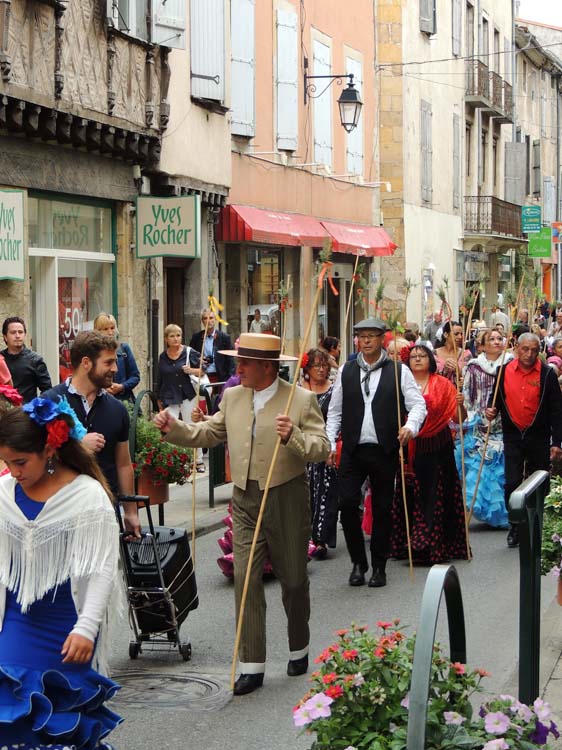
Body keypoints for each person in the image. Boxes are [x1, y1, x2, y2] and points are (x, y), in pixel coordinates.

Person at [154, 333, 330, 696]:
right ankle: (252, 665)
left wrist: (294, 435)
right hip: (245, 499)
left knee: (294, 581)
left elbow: (321, 448)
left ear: (267, 366)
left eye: (244, 363)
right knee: (245, 578)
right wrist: (176, 429)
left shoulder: (301, 398)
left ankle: (299, 645)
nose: (238, 369)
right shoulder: (232, 396)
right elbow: (210, 432)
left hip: (287, 497)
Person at [0, 400, 122, 748]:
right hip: (15, 619)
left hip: (67, 626)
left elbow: (101, 569)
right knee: (11, 714)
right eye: (7, 462)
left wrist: (86, 628)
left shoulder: (88, 496)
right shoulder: (4, 493)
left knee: (60, 726)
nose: (13, 471)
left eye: (20, 462)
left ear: (49, 449)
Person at [326, 318, 427, 588]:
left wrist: (410, 427)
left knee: (383, 509)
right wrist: (328, 442)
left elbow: (418, 405)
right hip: (352, 449)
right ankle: (359, 562)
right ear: (357, 340)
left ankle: (379, 566)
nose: (367, 341)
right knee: (346, 504)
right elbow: (335, 412)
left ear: (383, 339)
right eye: (362, 336)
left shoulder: (398, 371)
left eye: (372, 336)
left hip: (385, 449)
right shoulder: (346, 370)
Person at [42, 330, 140, 537]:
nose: (115, 368)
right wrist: (76, 446)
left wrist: (131, 511)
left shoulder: (118, 409)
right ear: (86, 363)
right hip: (58, 515)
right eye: (108, 362)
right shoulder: (49, 403)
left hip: (104, 515)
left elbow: (123, 464)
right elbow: (37, 458)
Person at [390, 345, 469, 563]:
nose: (417, 359)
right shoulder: (400, 385)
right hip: (407, 444)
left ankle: (429, 545)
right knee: (409, 494)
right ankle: (407, 544)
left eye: (422, 356)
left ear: (430, 360)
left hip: (436, 447)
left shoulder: (443, 384)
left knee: (434, 494)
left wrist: (460, 405)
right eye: (413, 356)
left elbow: (458, 419)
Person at [486, 332, 562, 548]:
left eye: (534, 350)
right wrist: (491, 411)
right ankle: (516, 526)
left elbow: (557, 411)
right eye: (525, 349)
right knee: (511, 481)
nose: (529, 354)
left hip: (538, 436)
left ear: (539, 352)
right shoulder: (503, 372)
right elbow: (495, 401)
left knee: (540, 482)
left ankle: (539, 525)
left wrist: (557, 442)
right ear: (516, 349)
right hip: (513, 436)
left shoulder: (547, 374)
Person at [456, 329, 512, 528]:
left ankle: (502, 511)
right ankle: (484, 508)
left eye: (500, 338)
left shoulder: (510, 364)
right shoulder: (473, 367)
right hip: (480, 424)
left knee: (501, 470)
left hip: (505, 424)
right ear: (481, 345)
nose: (496, 342)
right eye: (492, 339)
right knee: (481, 467)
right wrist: (475, 416)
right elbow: (468, 396)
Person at [301, 348, 339, 559]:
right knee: (304, 496)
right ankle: (303, 538)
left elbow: (337, 418)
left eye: (324, 365)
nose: (322, 369)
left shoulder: (334, 391)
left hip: (324, 448)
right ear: (307, 368)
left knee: (325, 493)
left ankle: (321, 539)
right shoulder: (297, 390)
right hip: (302, 450)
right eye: (317, 365)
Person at [156, 323, 206, 475]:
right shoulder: (163, 357)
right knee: (169, 427)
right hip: (170, 395)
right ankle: (178, 460)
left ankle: (197, 460)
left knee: (191, 427)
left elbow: (202, 371)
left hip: (187, 394)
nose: (176, 339)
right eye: (172, 336)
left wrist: (191, 370)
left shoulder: (189, 352)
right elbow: (161, 377)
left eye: (178, 335)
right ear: (166, 339)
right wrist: (158, 398)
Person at [1, 316, 52, 402]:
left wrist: (36, 408)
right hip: (4, 413)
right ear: (5, 337)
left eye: (20, 332)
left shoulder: (36, 360)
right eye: (13, 332)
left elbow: (47, 391)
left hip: (26, 413)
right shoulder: (1, 359)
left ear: (25, 335)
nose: (17, 336)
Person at [94, 312, 140, 403]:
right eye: (105, 329)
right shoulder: (93, 352)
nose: (110, 332)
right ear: (97, 331)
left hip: (124, 401)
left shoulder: (124, 349)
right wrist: (103, 389)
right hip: (101, 402)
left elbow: (135, 376)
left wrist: (122, 386)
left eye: (112, 328)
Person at [189, 308, 236, 384]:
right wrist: (198, 360)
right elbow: (191, 357)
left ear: (215, 320)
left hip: (220, 377)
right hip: (202, 377)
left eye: (211, 318)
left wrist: (230, 380)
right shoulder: (196, 338)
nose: (208, 321)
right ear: (202, 321)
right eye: (205, 318)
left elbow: (230, 360)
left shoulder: (224, 337)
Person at [434, 321, 471, 385]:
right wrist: (444, 371)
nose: (460, 337)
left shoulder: (466, 354)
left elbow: (471, 378)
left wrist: (458, 371)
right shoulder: (434, 354)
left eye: (461, 334)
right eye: (456, 334)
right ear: (446, 334)